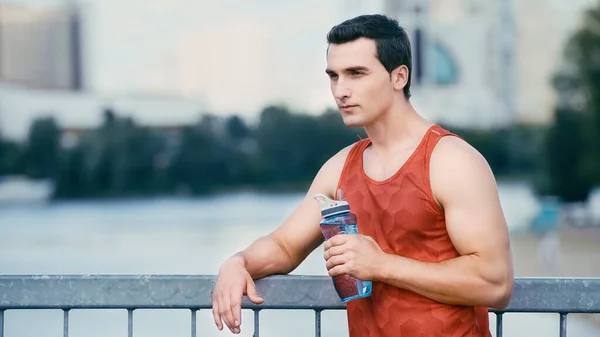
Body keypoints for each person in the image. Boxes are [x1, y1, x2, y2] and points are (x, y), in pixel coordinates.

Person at [212, 14, 514, 336]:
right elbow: (285, 246)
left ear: (399, 77)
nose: (341, 90)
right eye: (334, 76)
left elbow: (494, 283)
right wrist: (238, 262)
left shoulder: (452, 161)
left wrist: (380, 265)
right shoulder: (340, 168)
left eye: (356, 73)